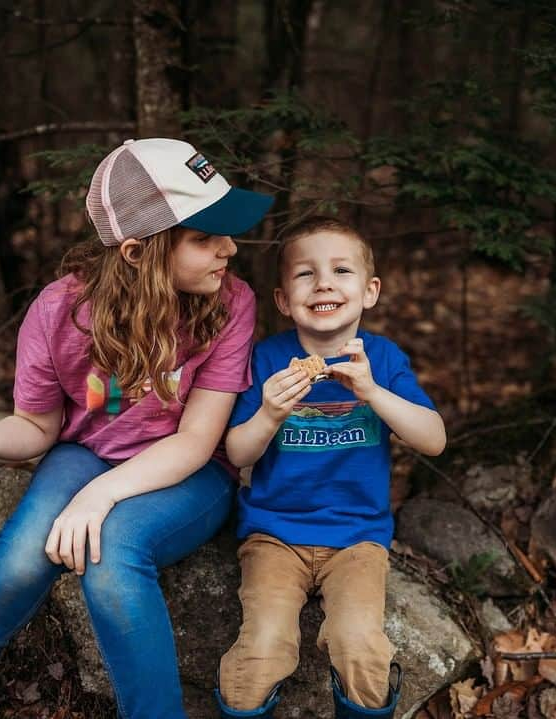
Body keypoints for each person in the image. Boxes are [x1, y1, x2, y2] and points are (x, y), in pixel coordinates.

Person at [0, 138, 272, 719]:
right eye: (205, 239)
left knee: (114, 552)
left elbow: (196, 441)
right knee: (28, 552)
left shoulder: (230, 304)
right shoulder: (59, 313)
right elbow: (36, 426)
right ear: (137, 251)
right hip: (85, 454)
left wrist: (97, 497)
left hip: (190, 471)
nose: (230, 248)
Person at [216, 217, 447, 718]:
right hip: (274, 536)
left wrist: (371, 392)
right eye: (305, 273)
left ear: (369, 291)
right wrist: (270, 412)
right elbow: (238, 454)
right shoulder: (267, 359)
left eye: (341, 270)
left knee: (359, 644)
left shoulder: (382, 360)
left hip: (357, 540)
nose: (323, 282)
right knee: (263, 647)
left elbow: (434, 439)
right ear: (282, 300)